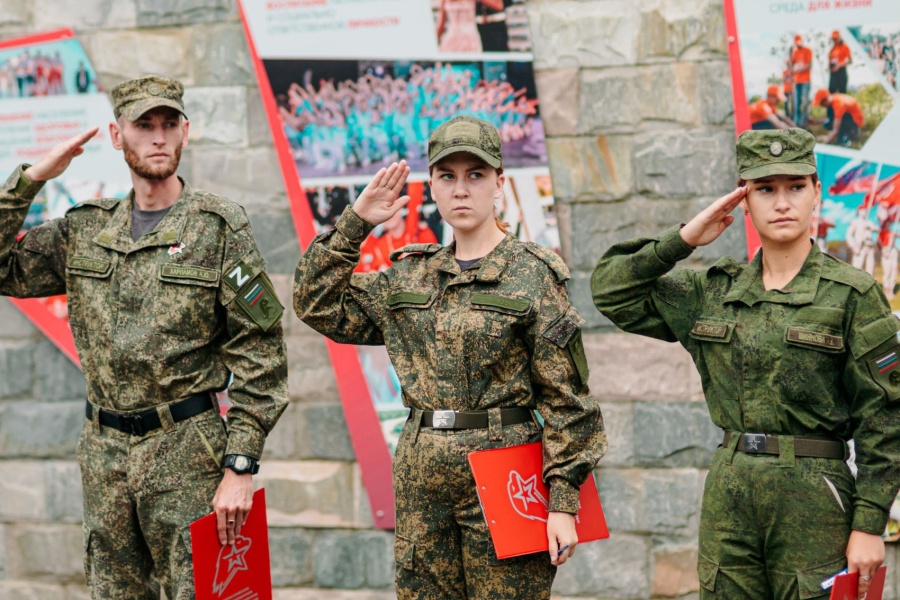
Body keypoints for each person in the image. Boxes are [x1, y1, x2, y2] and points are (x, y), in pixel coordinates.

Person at [0, 75, 288, 599]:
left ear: (185, 133)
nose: (158, 137)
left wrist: (241, 465)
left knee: (210, 592)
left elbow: (261, 353)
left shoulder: (217, 227)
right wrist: (32, 179)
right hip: (104, 453)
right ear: (117, 136)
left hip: (188, 451)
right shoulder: (85, 229)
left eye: (169, 124)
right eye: (143, 125)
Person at [294, 115, 605, 599]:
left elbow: (567, 400)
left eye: (475, 175)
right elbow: (315, 302)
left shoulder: (532, 275)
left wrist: (563, 502)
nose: (461, 189)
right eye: (447, 176)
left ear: (499, 184)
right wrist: (356, 224)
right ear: (433, 187)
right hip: (422, 475)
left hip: (507, 469)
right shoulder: (409, 275)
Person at [592, 128, 899, 600]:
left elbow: (885, 416)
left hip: (816, 496)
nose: (782, 203)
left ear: (816, 191)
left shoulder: (852, 295)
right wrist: (684, 239)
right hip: (730, 495)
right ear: (743, 198)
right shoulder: (712, 292)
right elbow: (611, 291)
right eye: (765, 189)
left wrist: (869, 523)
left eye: (795, 187)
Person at [846, 206, 878, 275]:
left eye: (866, 210)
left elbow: (877, 229)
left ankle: (869, 281)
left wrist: (871, 227)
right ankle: (855, 282)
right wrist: (853, 246)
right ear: (859, 211)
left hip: (870, 245)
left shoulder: (869, 222)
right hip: (860, 246)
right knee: (857, 267)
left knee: (870, 268)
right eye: (863, 210)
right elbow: (849, 235)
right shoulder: (855, 221)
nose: (865, 211)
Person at [791, 34, 813, 128]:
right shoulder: (794, 52)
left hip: (806, 81)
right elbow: (792, 65)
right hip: (797, 81)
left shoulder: (808, 50)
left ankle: (804, 123)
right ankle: (796, 123)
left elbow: (809, 65)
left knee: (805, 102)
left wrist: (799, 69)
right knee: (796, 103)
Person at [829, 30, 852, 94]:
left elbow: (848, 60)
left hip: (841, 71)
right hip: (833, 73)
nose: (834, 40)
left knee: (842, 91)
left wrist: (839, 65)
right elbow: (830, 60)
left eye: (836, 39)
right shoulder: (832, 49)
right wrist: (831, 67)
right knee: (831, 90)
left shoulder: (845, 47)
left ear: (839, 38)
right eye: (833, 39)